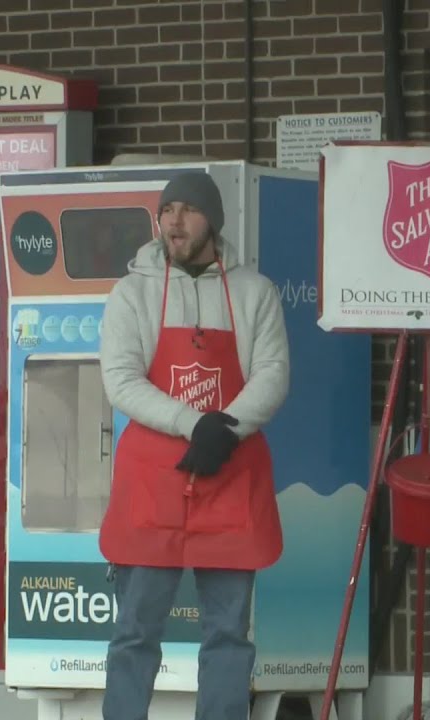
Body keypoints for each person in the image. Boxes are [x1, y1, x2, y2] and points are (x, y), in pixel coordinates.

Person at [98, 171, 290, 720]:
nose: (174, 221)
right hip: (152, 487)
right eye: (167, 210)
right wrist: (193, 424)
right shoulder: (132, 292)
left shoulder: (256, 292)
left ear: (215, 220)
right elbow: (121, 379)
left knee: (229, 635)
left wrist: (224, 429)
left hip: (231, 477)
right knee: (135, 632)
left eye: (187, 209)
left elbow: (273, 374)